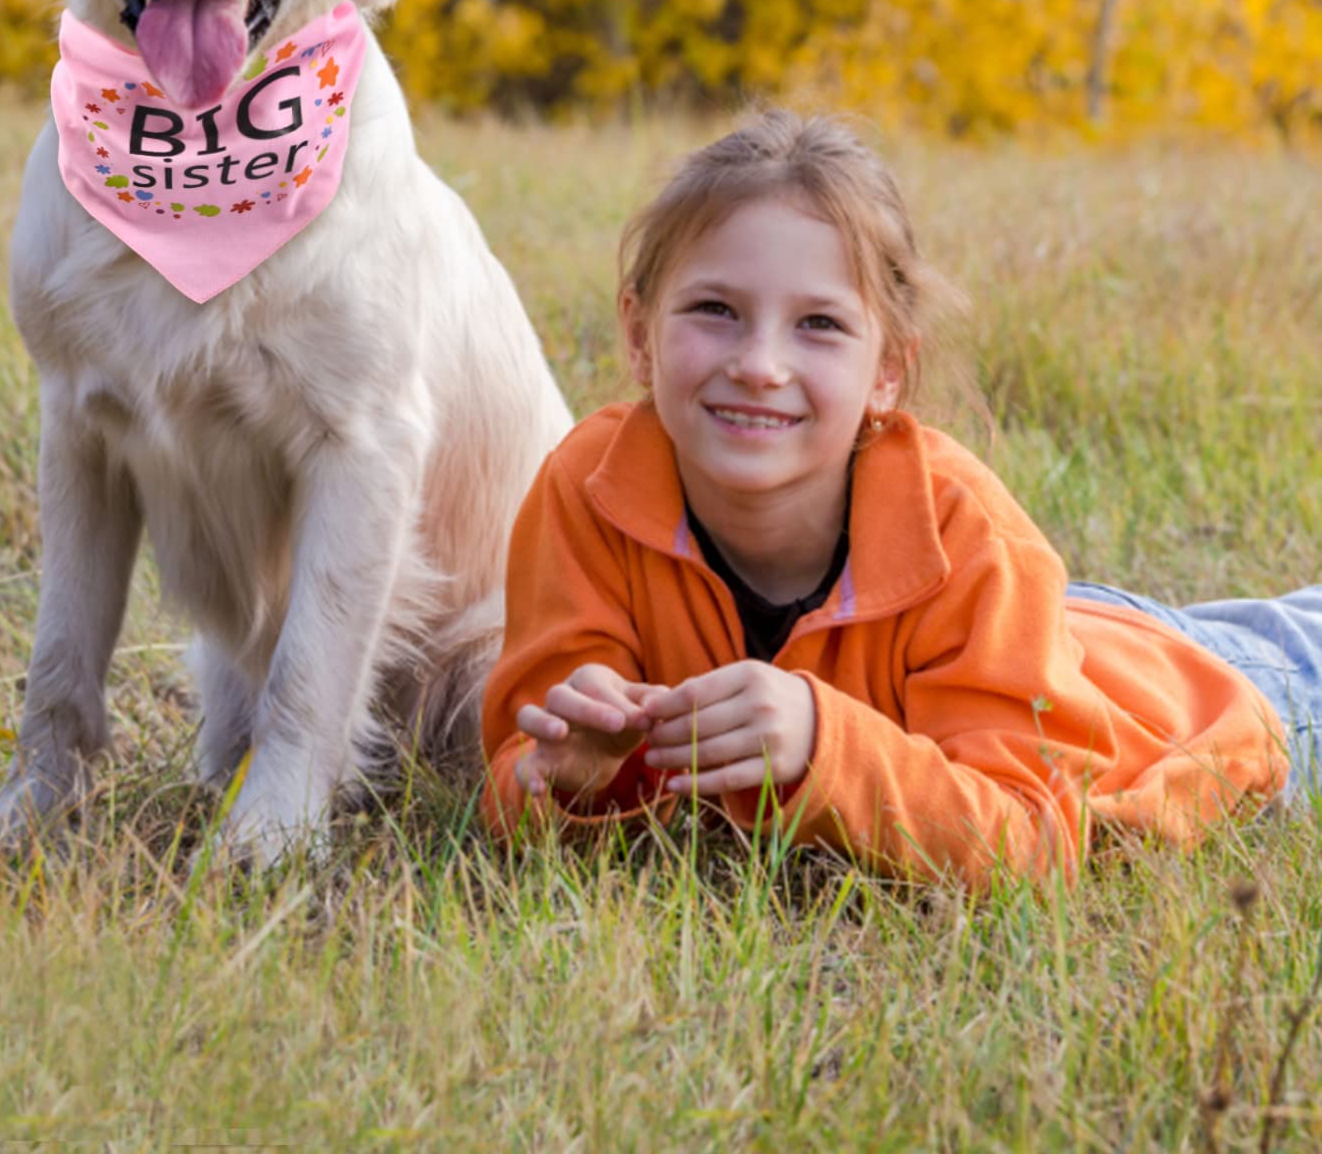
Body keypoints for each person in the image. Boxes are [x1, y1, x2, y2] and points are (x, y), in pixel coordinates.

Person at [479, 112, 1320, 887]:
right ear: (639, 335)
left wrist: (823, 743)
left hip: (1197, 697)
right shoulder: (587, 487)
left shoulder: (965, 530)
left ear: (887, 370)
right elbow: (519, 772)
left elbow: (1032, 839)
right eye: (715, 310)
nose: (760, 364)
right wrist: (574, 772)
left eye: (819, 325)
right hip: (1044, 640)